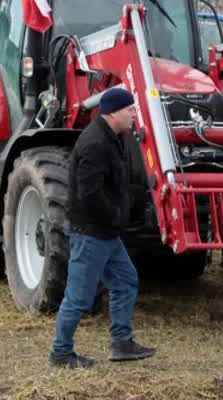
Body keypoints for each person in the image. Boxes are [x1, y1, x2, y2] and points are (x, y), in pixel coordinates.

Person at [49, 85, 156, 369]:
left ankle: (122, 343)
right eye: (130, 110)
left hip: (107, 233)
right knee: (79, 297)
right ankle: (60, 354)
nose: (135, 115)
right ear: (114, 112)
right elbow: (89, 193)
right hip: (92, 233)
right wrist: (114, 216)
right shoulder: (95, 143)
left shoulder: (114, 137)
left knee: (125, 282)